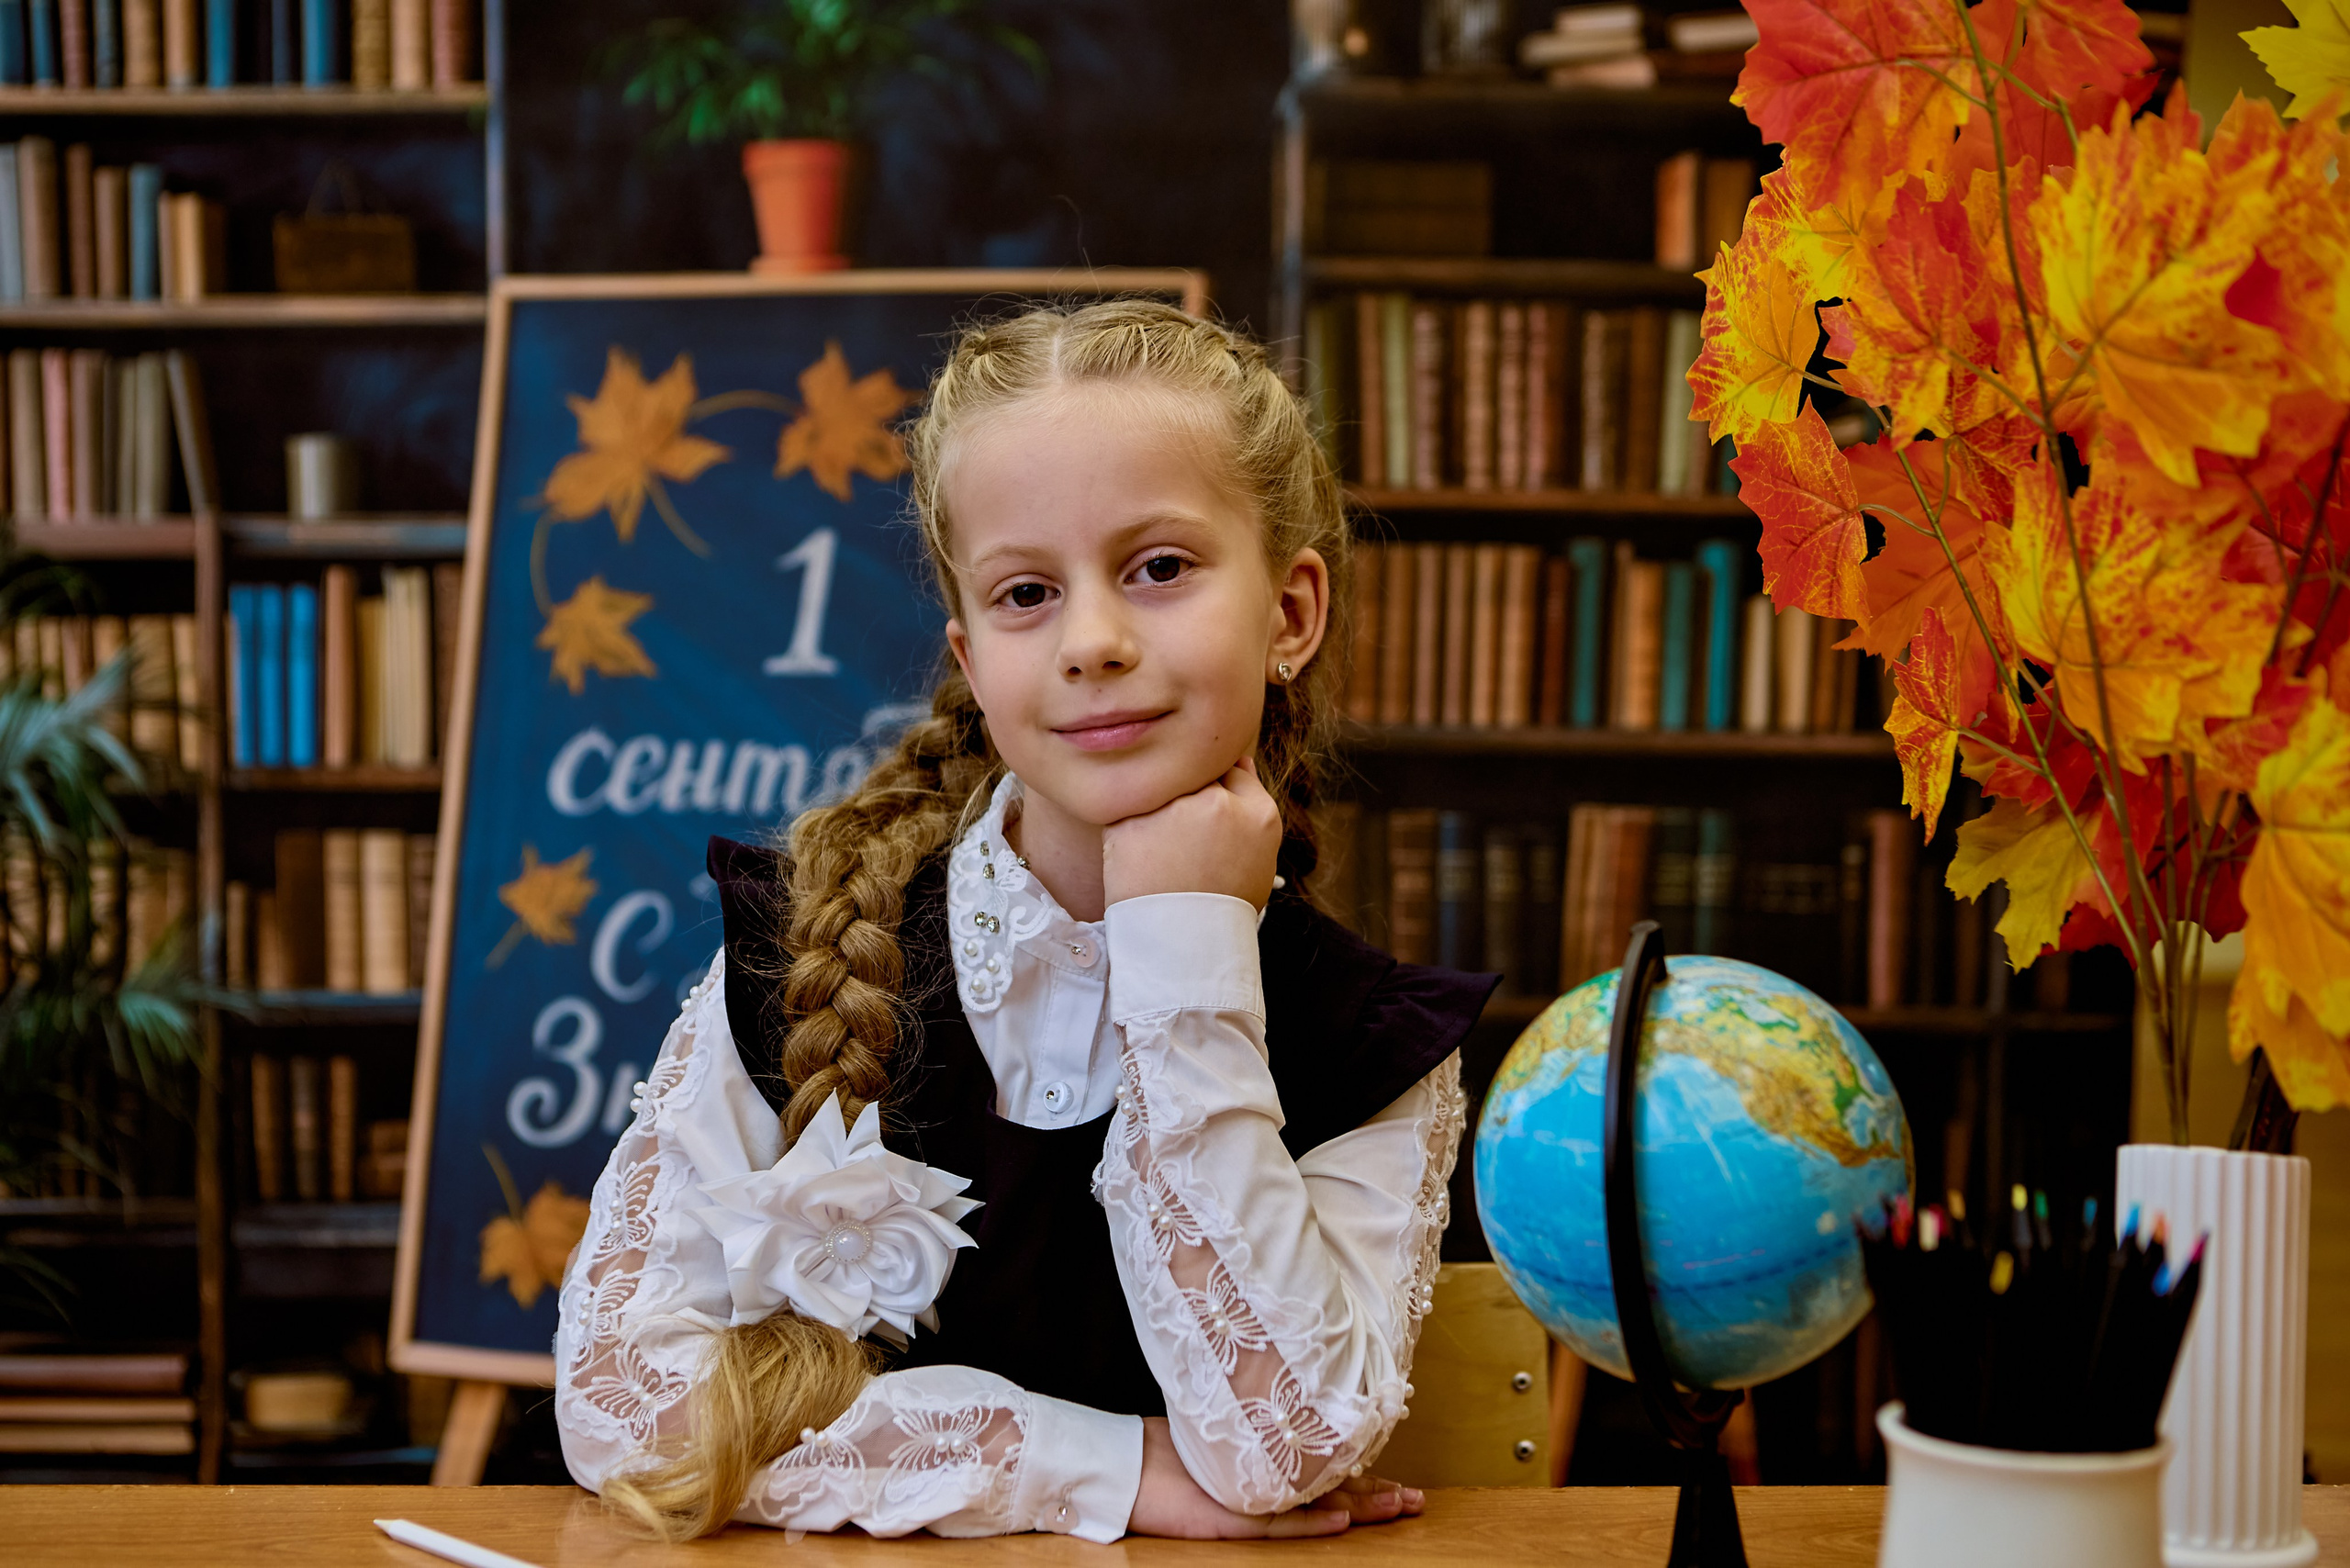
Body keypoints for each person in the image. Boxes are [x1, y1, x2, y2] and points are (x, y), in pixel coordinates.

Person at [554, 298, 1496, 1543]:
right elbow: (623, 1412)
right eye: (1027, 593)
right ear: (971, 655)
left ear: (1290, 614)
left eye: (1161, 569)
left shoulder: (1369, 1040)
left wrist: (1185, 959)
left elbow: (1282, 1447)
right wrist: (1105, 1469)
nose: (1092, 642)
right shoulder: (802, 952)